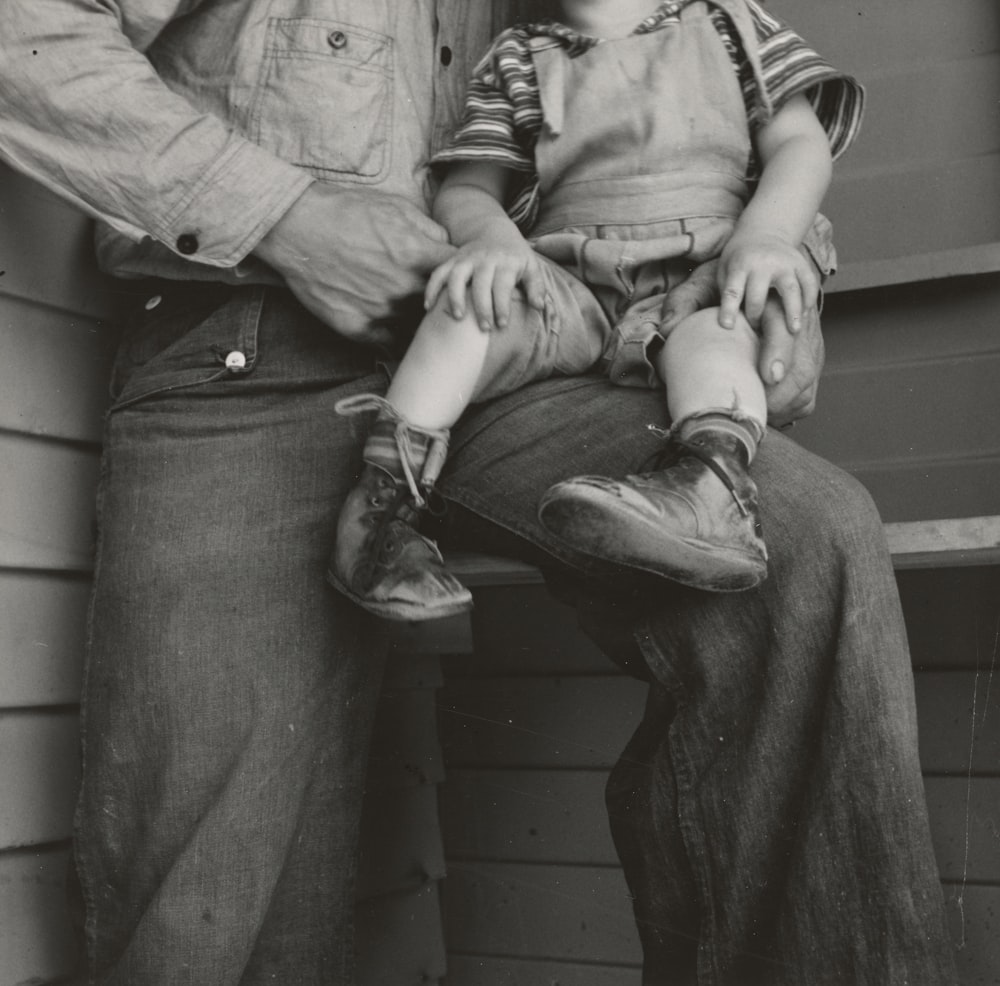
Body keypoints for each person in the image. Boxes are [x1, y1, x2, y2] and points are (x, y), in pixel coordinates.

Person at [0, 2, 957, 985]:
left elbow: (698, 119)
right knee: (212, 893)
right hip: (252, 346)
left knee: (802, 543)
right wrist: (286, 217)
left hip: (534, 351)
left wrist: (770, 264)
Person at [330, 0, 846, 621]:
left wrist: (763, 236)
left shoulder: (729, 24)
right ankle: (378, 516)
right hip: (571, 279)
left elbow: (799, 141)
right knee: (468, 303)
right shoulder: (518, 56)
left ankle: (710, 491)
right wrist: (491, 240)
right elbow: (469, 186)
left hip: (700, 272)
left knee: (720, 331)